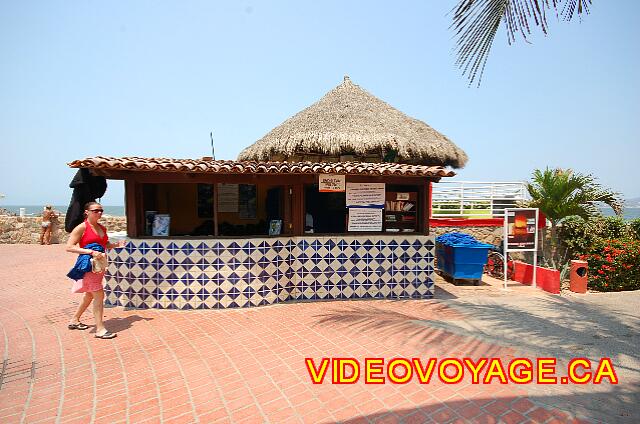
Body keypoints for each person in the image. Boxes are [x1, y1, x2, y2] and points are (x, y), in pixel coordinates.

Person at [66, 201, 125, 339]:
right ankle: (100, 329)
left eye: (101, 210)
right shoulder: (81, 228)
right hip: (88, 265)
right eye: (95, 210)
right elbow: (69, 247)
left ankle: (74, 320)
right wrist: (90, 252)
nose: (99, 213)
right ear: (87, 212)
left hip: (99, 266)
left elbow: (105, 244)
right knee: (98, 294)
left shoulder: (102, 228)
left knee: (90, 295)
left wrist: (116, 245)